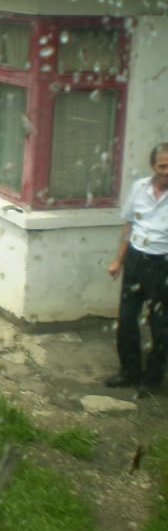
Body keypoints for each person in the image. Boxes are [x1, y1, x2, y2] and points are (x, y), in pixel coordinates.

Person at [106, 142, 168, 397]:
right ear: (153, 166)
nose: (167, 170)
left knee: (160, 325)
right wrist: (118, 261)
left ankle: (152, 380)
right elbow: (128, 226)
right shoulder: (139, 188)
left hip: (163, 265)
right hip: (135, 261)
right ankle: (129, 372)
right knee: (127, 318)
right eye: (163, 165)